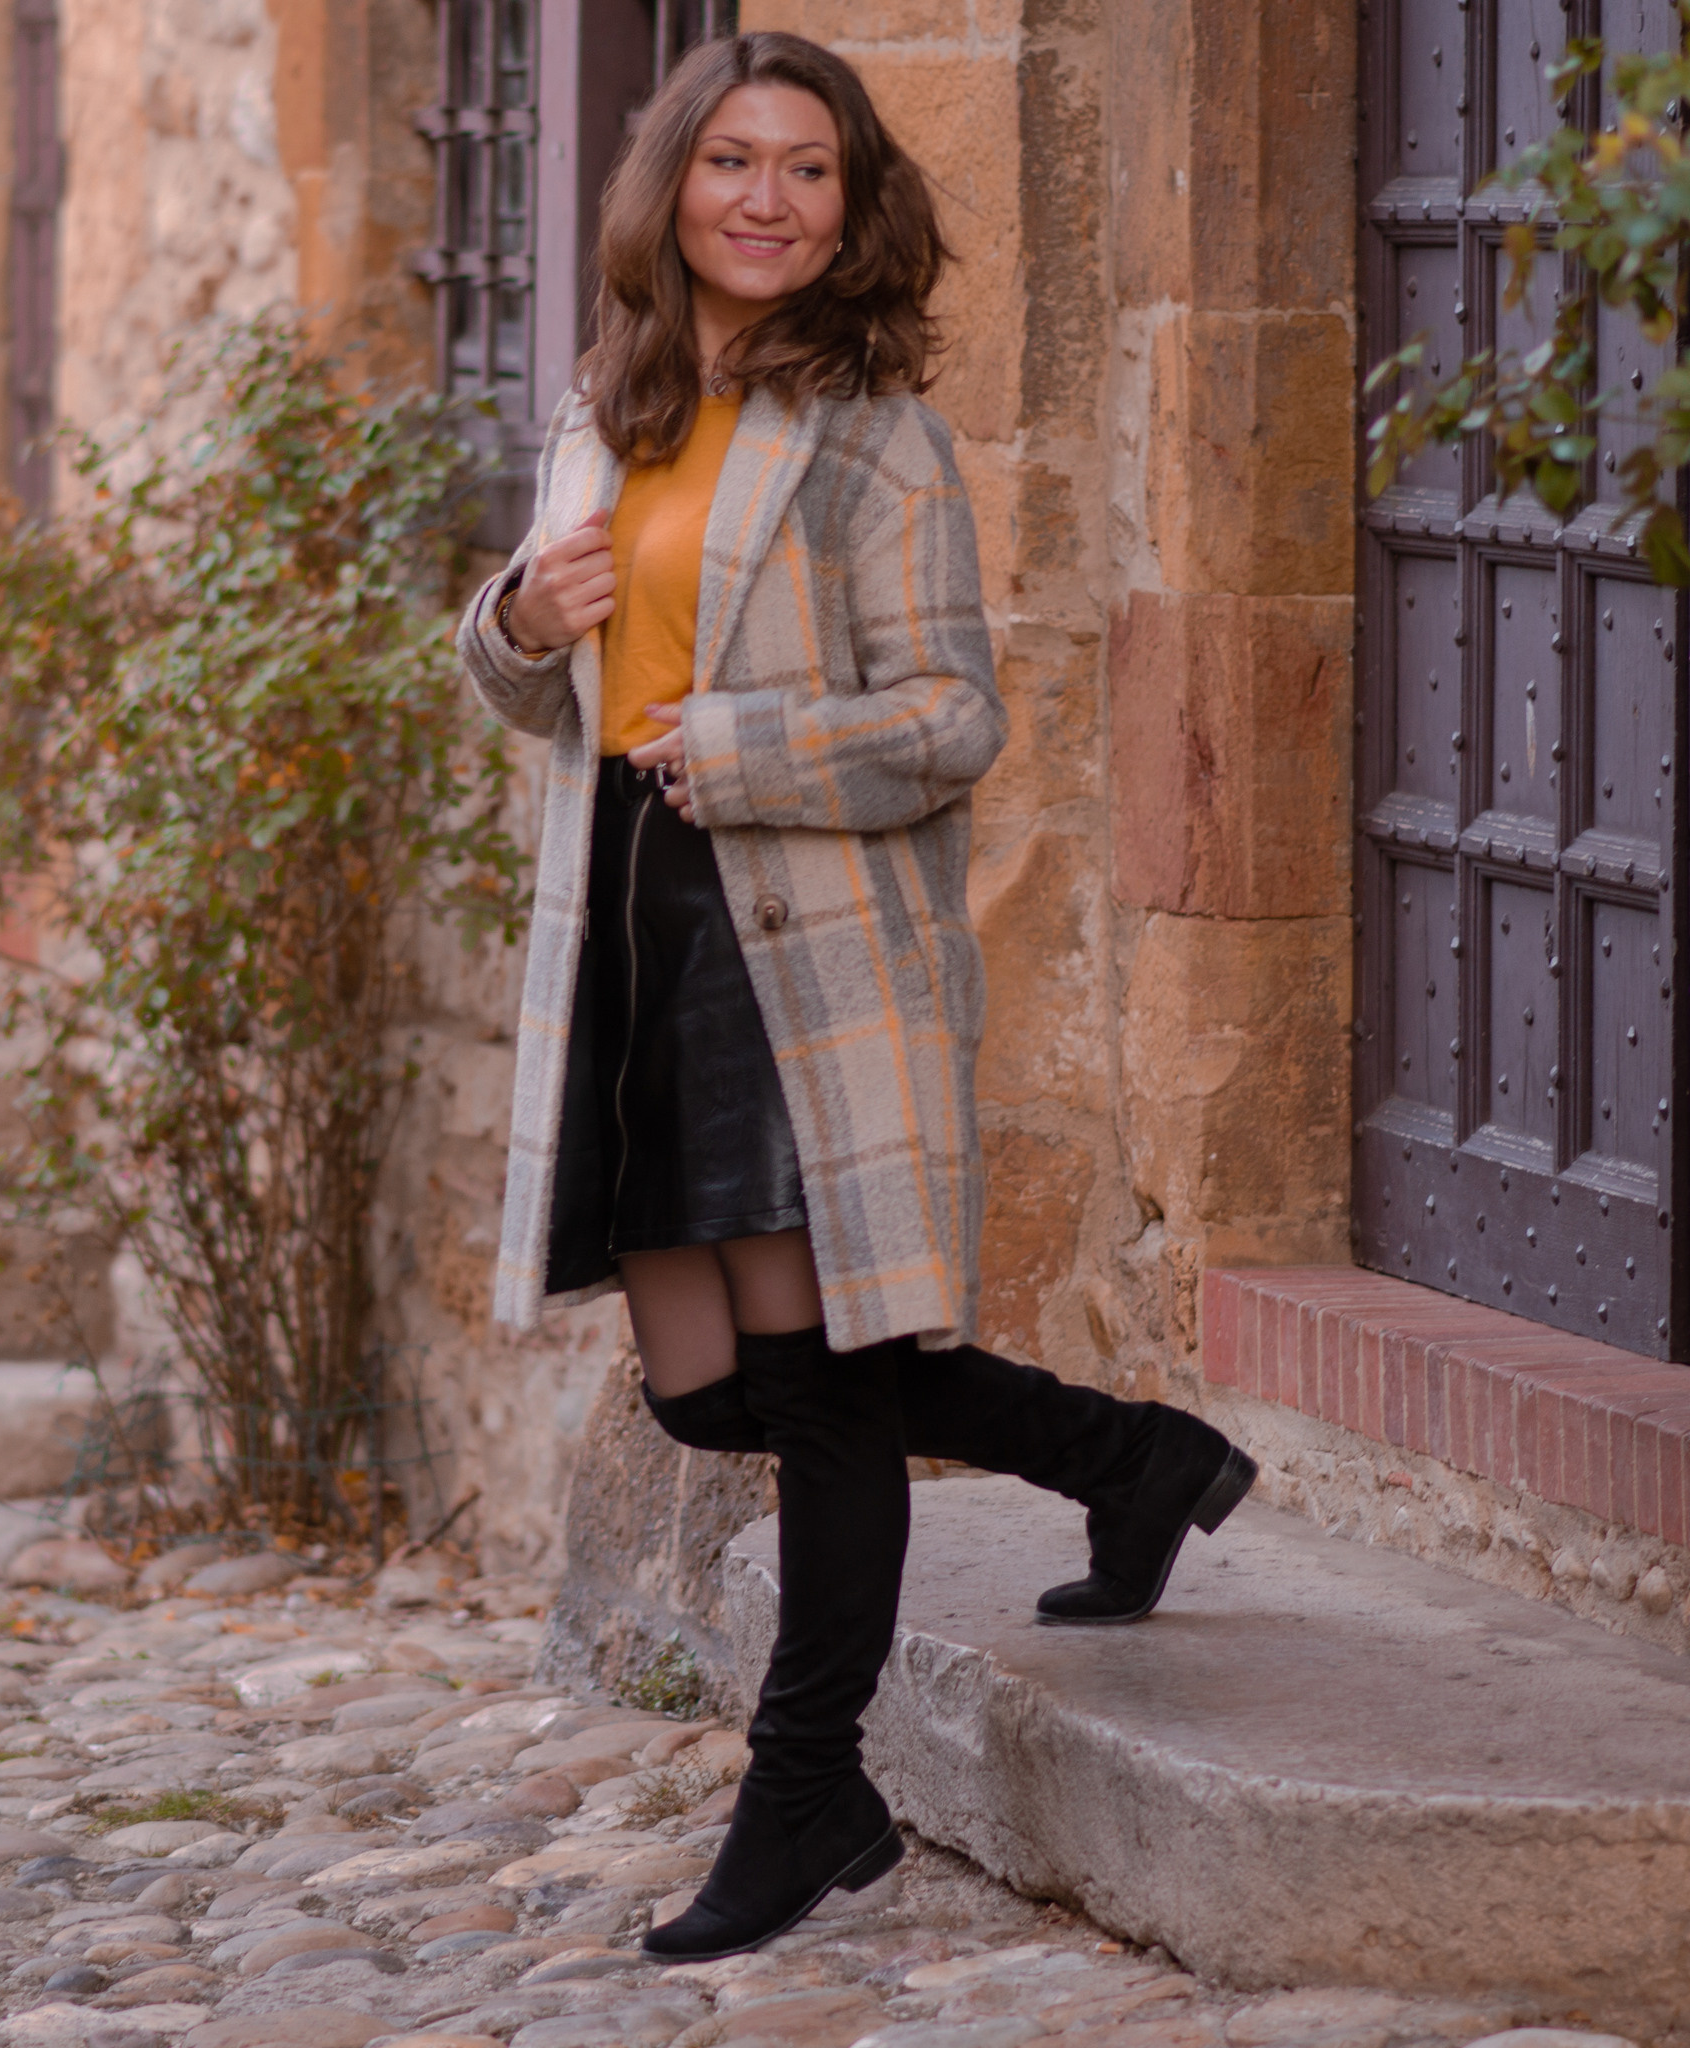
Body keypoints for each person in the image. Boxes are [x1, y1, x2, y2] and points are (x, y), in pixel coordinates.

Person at [455, 31, 1258, 1964]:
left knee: (822, 1395)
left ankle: (807, 1784)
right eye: (733, 160)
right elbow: (545, 666)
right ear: (672, 187)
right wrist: (511, 624)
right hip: (633, 932)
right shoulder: (607, 401)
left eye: (808, 170)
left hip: (794, 941)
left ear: (852, 204)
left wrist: (735, 741)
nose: (766, 198)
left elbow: (952, 719)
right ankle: (1135, 1459)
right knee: (709, 1388)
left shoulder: (876, 433)